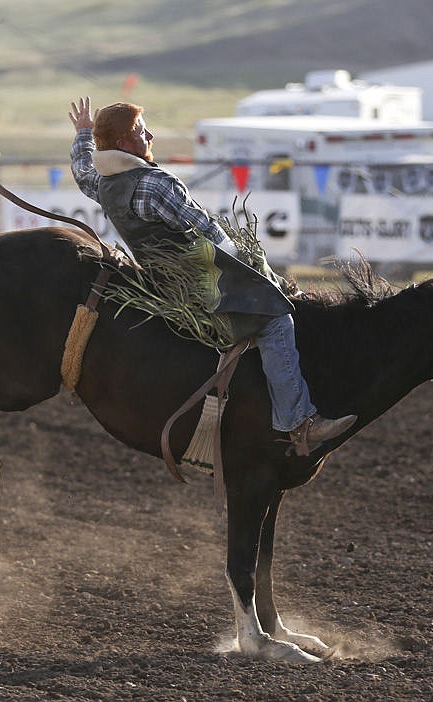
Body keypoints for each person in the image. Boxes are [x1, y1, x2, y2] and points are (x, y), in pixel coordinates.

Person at [68, 97, 356, 455]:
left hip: (162, 280)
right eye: (142, 132)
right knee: (276, 319)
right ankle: (297, 421)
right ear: (124, 144)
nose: (151, 134)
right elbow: (202, 226)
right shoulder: (154, 185)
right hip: (198, 280)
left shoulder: (106, 184)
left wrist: (83, 134)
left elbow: (82, 173)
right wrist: (243, 260)